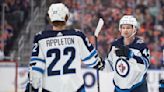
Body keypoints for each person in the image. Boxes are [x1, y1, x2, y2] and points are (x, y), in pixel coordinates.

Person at [25, 3, 103, 92]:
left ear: (50, 18)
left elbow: (36, 70)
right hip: (75, 88)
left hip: (49, 89)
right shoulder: (77, 36)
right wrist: (99, 63)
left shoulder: (41, 38)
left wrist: (32, 88)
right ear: (66, 17)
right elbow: (92, 60)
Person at [104, 15, 150, 92]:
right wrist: (99, 63)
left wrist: (131, 56)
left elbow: (144, 67)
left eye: (128, 28)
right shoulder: (115, 45)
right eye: (123, 27)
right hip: (119, 89)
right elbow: (110, 65)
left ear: (134, 29)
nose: (125, 30)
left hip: (137, 88)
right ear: (120, 29)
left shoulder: (141, 46)